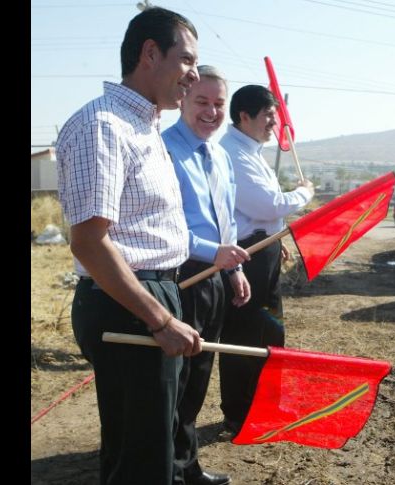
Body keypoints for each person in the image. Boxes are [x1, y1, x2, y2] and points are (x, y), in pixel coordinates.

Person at [55, 7, 202, 485]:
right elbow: (90, 243)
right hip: (128, 304)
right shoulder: (103, 126)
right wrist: (158, 318)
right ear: (150, 53)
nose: (194, 75)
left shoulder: (143, 126)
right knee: (141, 462)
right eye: (186, 60)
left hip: (151, 295)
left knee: (153, 448)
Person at [163, 65, 249, 485]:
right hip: (180, 275)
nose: (212, 112)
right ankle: (170, 471)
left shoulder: (220, 155)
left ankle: (187, 466)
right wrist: (213, 254)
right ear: (182, 99)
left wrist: (232, 271)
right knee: (175, 380)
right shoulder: (163, 150)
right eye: (202, 101)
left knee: (199, 376)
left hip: (215, 275)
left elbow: (225, 219)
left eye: (219, 104)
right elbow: (167, 226)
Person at [217, 85, 315, 437]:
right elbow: (267, 204)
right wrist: (305, 192)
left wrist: (276, 236)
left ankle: (268, 402)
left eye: (275, 115)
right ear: (244, 116)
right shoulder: (232, 154)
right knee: (244, 335)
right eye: (268, 116)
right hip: (246, 255)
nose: (275, 123)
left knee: (271, 330)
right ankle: (239, 413)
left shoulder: (252, 151)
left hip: (264, 249)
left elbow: (266, 213)